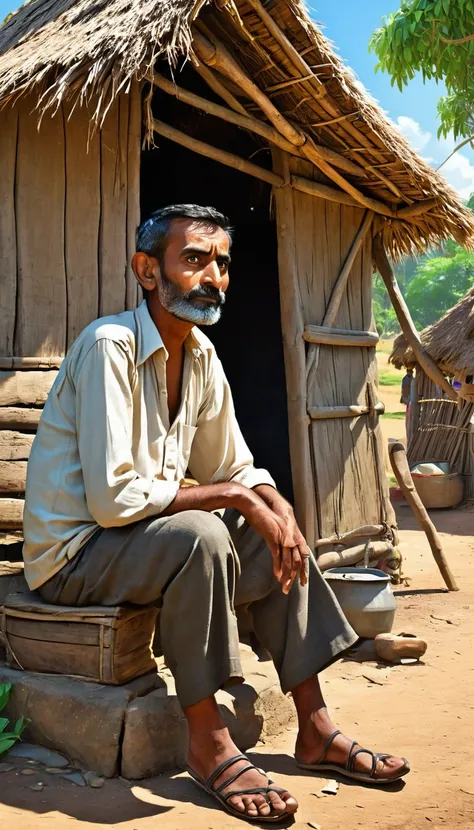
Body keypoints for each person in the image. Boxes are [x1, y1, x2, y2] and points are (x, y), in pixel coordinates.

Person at [23, 205, 409, 822]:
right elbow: (114, 499)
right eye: (194, 259)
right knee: (204, 532)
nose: (213, 277)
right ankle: (207, 740)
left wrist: (275, 505)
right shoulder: (110, 347)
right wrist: (235, 499)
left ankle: (314, 725)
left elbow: (234, 465)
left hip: (137, 541)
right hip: (74, 555)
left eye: (222, 264)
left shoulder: (200, 355)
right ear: (147, 271)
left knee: (269, 526)